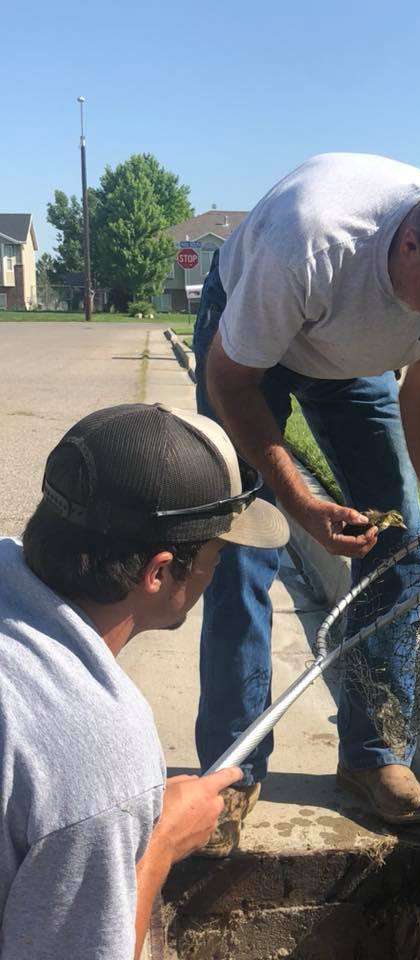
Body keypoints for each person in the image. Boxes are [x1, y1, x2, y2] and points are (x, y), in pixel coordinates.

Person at [193, 153, 420, 834]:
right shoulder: (308, 243)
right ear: (410, 241)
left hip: (348, 360)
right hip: (249, 348)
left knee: (399, 544)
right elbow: (232, 382)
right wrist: (299, 505)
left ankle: (374, 754)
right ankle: (235, 766)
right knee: (241, 550)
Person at [0, 402, 289, 959]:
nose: (217, 570)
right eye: (217, 554)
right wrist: (159, 845)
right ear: (158, 572)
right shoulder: (95, 756)